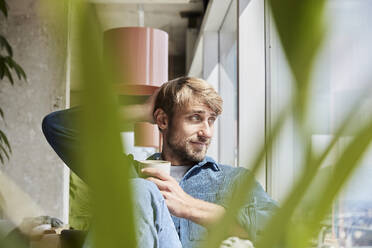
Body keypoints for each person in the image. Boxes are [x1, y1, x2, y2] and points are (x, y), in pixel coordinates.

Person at [42, 77, 277, 248]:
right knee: (138, 187)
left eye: (211, 120)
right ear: (163, 120)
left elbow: (280, 230)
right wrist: (141, 111)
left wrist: (190, 206)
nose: (207, 132)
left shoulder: (232, 180)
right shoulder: (132, 173)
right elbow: (58, 127)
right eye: (196, 118)